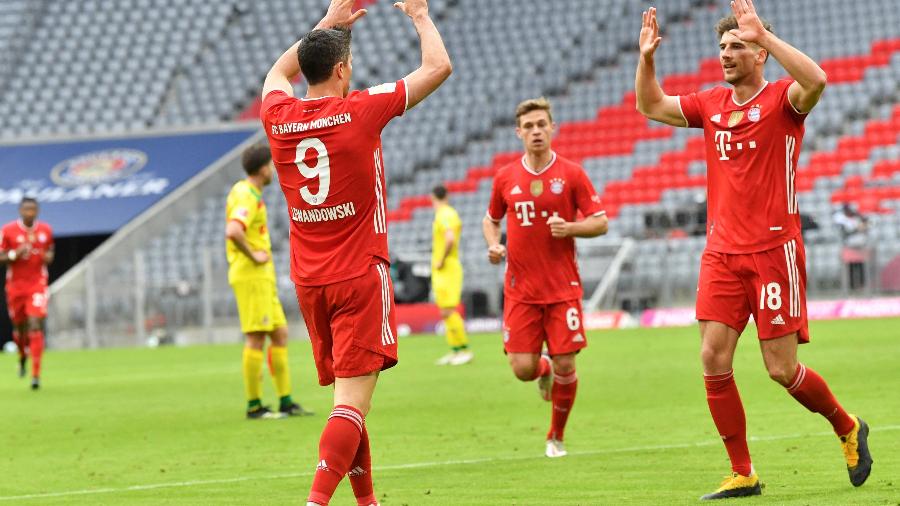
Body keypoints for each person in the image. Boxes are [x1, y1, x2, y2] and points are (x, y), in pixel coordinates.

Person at [635, 1, 872, 499]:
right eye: (722, 46)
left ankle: (847, 426)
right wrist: (647, 60)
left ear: (759, 53)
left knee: (780, 369)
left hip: (773, 252)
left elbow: (818, 79)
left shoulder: (784, 100)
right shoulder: (710, 104)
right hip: (721, 253)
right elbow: (651, 105)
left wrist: (763, 34)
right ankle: (744, 471)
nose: (725, 53)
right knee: (712, 357)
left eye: (736, 45)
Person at [259, 0, 451, 504]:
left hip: (309, 281)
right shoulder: (360, 109)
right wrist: (418, 15)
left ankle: (367, 501)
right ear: (343, 70)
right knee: (351, 405)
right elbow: (438, 67)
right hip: (360, 275)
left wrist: (327, 24)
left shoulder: (278, 116)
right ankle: (316, 501)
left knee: (349, 399)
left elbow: (277, 72)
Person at [482, 97, 608, 458]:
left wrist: (570, 227)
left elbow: (600, 221)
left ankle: (555, 436)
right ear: (518, 132)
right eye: (529, 126)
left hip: (562, 288)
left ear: (553, 128)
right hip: (521, 289)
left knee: (568, 362)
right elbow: (491, 219)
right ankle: (542, 369)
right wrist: (494, 245)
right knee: (522, 369)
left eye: (542, 124)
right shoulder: (506, 177)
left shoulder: (572, 174)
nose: (536, 131)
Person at [226, 144, 312, 419]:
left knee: (280, 334)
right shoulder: (247, 196)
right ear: (263, 168)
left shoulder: (246, 191)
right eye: (272, 165)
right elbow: (233, 230)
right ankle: (255, 406)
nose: (274, 169)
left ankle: (285, 401)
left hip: (261, 277)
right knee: (256, 337)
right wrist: (254, 255)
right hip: (251, 275)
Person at [0, 197, 54, 390]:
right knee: (20, 330)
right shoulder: (8, 230)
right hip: (15, 287)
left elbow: (50, 251)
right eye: (26, 209)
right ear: (20, 211)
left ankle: (35, 374)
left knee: (34, 323)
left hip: (37, 284)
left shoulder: (45, 230)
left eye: (33, 209)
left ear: (37, 211)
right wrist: (15, 254)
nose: (30, 212)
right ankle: (22, 356)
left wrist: (48, 257)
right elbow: (1, 256)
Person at [430, 184, 472, 366]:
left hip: (447, 268)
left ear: (433, 198)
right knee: (445, 312)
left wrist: (441, 259)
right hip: (445, 269)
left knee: (448, 311)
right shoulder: (448, 213)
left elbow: (449, 238)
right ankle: (455, 350)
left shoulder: (445, 214)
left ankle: (464, 349)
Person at [832, 203, 869, 291]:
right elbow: (845, 232)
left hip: (860, 245)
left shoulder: (857, 218)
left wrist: (862, 222)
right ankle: (851, 286)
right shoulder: (841, 219)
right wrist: (857, 229)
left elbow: (867, 225)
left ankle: (861, 285)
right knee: (850, 267)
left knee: (861, 266)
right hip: (849, 245)